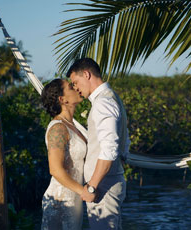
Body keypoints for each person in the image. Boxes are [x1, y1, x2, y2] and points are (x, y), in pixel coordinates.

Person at [67, 58, 130, 229]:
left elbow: (109, 149)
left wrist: (92, 187)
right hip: (107, 181)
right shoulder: (111, 97)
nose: (75, 88)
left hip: (103, 186)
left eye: (75, 82)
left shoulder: (103, 101)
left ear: (86, 74)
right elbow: (124, 140)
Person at [40, 79, 87, 230]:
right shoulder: (58, 128)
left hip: (74, 200)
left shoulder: (72, 126)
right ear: (62, 99)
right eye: (70, 87)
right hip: (61, 201)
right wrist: (83, 191)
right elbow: (55, 169)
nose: (75, 87)